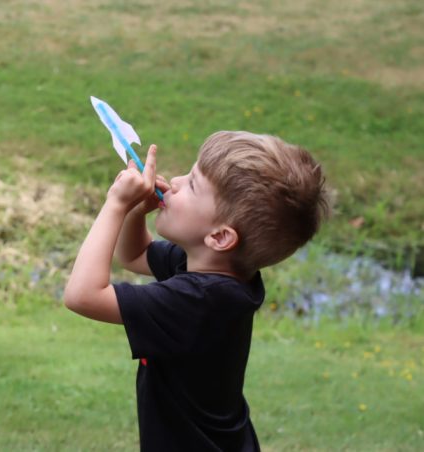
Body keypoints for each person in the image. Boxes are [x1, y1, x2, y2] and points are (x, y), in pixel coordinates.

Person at [64, 131, 330, 451]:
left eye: (192, 185)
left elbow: (82, 295)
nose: (174, 181)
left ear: (219, 237)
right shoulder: (221, 273)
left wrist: (116, 204)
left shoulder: (197, 301)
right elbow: (134, 256)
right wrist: (137, 211)